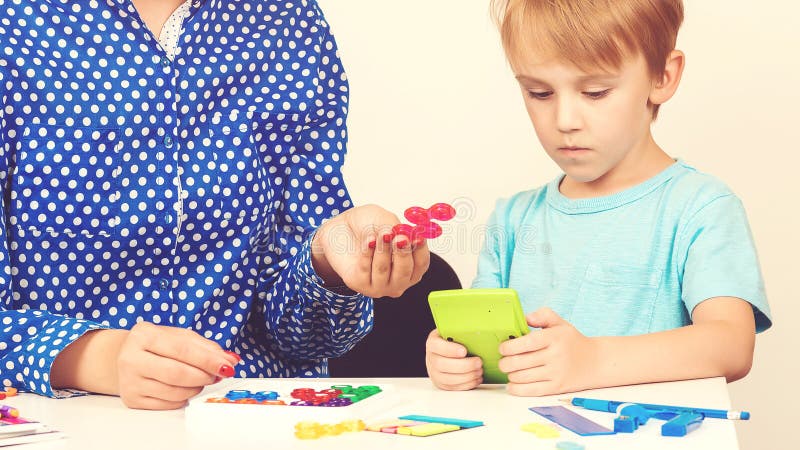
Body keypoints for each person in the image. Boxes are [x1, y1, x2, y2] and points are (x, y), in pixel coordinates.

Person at [0, 0, 429, 410]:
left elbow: (303, 341)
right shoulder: (15, 24)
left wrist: (327, 263)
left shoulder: (289, 20)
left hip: (254, 416)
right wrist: (97, 358)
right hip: (66, 420)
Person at [425, 0, 772, 396]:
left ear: (662, 76)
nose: (565, 121)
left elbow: (732, 345)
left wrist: (591, 359)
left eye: (595, 92)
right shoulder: (513, 218)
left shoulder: (700, 207)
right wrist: (455, 358)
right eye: (539, 93)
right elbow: (487, 352)